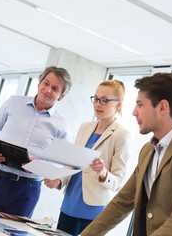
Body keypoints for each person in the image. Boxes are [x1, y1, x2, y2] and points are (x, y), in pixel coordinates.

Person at [81, 72, 172, 236]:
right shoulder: (148, 150)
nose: (133, 112)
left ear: (162, 107)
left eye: (140, 104)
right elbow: (122, 202)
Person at [0, 66, 72, 218]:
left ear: (61, 96)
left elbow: (60, 162)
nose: (48, 90)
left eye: (55, 88)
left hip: (27, 191)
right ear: (39, 83)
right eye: (46, 83)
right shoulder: (13, 102)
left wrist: (40, 167)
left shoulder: (61, 124)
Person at [44, 79, 132, 235]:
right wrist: (59, 180)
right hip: (69, 204)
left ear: (118, 104)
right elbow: (71, 164)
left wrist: (103, 172)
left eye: (104, 100)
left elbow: (117, 182)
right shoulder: (85, 127)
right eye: (96, 99)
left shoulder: (122, 135)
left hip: (92, 210)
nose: (98, 104)